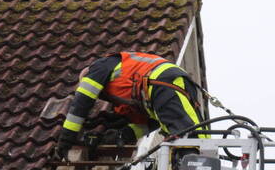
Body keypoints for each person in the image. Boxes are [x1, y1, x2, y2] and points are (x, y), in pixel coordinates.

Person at [56, 51, 206, 158]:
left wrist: (66, 139)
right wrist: (122, 135)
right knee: (198, 136)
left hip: (160, 81)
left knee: (186, 136)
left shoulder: (97, 68)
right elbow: (150, 123)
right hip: (175, 84)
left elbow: (81, 103)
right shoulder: (126, 96)